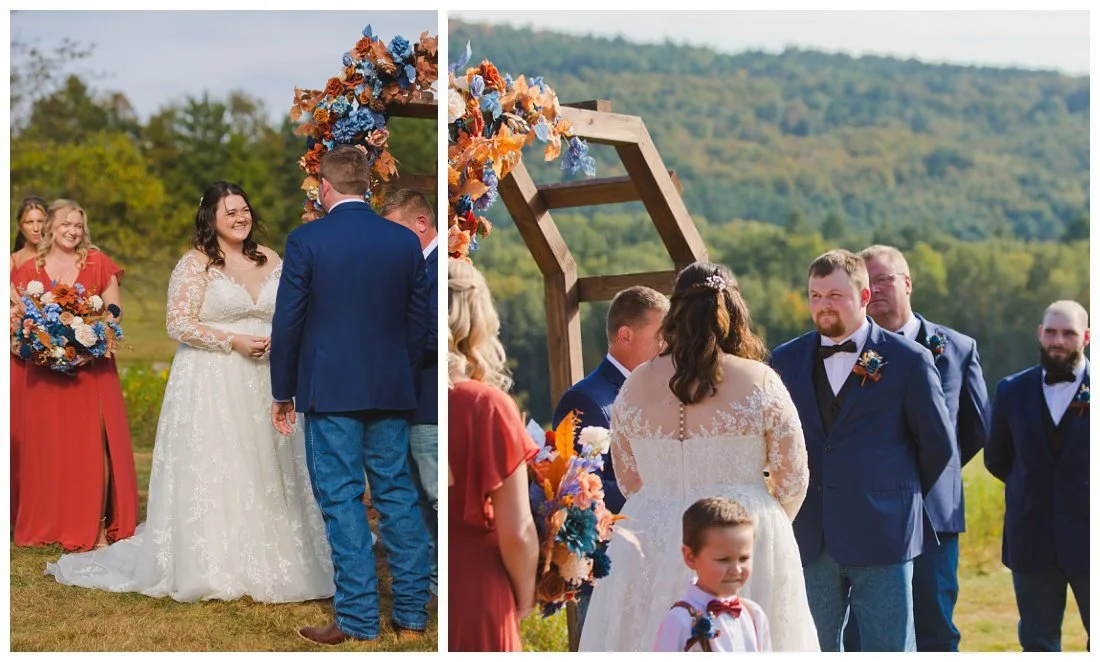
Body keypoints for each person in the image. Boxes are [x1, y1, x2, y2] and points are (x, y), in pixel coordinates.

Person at [45, 182, 334, 603]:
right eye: (230, 212)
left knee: (270, 464)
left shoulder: (270, 258)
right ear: (211, 219)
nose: (240, 217)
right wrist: (233, 340)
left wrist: (281, 340)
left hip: (267, 377)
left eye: (244, 209)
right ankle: (219, 560)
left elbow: (293, 311)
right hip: (215, 378)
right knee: (225, 462)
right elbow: (178, 324)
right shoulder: (195, 264)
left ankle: (282, 551)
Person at [579, 262, 820, 652]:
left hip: (649, 534)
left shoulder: (636, 381)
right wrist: (761, 520)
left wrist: (662, 503)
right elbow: (793, 478)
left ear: (675, 314)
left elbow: (628, 478)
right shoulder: (759, 380)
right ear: (736, 311)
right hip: (741, 535)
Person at [270, 145, 431, 644]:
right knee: (397, 496)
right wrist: (396, 374)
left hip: (331, 390)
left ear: (324, 186)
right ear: (369, 185)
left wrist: (283, 390)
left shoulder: (307, 239)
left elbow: (290, 319)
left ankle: (359, 622)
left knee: (341, 500)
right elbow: (418, 324)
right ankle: (410, 618)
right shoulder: (404, 242)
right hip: (390, 388)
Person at [769, 249, 956, 652]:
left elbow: (937, 446)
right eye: (815, 296)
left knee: (889, 647)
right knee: (811, 646)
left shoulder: (909, 360)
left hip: (884, 534)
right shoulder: (784, 360)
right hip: (810, 533)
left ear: (864, 296)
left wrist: (893, 493)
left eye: (834, 295)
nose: (823, 306)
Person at [838, 245, 989, 652]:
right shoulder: (845, 350)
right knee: (865, 630)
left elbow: (974, 429)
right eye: (867, 281)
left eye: (884, 278)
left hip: (934, 513)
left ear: (908, 283)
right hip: (868, 514)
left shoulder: (957, 348)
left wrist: (928, 471)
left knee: (935, 624)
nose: (876, 287)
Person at [10, 199, 139, 551]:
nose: (72, 231)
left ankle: (95, 528)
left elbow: (115, 310)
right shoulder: (29, 268)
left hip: (91, 370)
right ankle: (51, 521)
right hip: (46, 372)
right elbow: (19, 319)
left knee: (92, 448)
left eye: (78, 225)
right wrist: (34, 343)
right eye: (66, 224)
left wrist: (94, 336)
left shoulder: (97, 262)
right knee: (50, 447)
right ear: (49, 226)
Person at [551, 284, 668, 635]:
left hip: (660, 557)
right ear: (626, 335)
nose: (667, 345)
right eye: (661, 335)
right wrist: (656, 496)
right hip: (612, 562)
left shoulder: (664, 390)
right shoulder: (588, 399)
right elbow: (579, 486)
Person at [985, 300, 1089, 652]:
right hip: (1031, 538)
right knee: (1038, 642)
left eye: (1069, 333)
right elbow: (996, 459)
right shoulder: (1010, 390)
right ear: (1039, 334)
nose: (1058, 340)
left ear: (1086, 337)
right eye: (1051, 332)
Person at [447, 257, 539, 652]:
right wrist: (525, 594)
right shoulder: (487, 406)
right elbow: (517, 531)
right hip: (477, 590)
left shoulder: (406, 394)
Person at [380, 189, 439, 600]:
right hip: (410, 402)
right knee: (417, 496)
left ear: (421, 223)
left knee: (436, 496)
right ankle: (431, 580)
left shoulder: (441, 269)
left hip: (431, 403)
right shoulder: (415, 266)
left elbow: (434, 337)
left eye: (396, 231)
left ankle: (442, 582)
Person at [654, 497, 772, 652]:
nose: (736, 569)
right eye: (723, 560)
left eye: (743, 558)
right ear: (690, 557)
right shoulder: (679, 621)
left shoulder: (753, 614)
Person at [10, 195, 48, 527]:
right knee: (19, 428)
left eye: (41, 221)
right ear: (20, 226)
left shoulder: (57, 259)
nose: (36, 228)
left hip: (51, 355)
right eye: (30, 222)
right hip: (18, 355)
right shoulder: (11, 262)